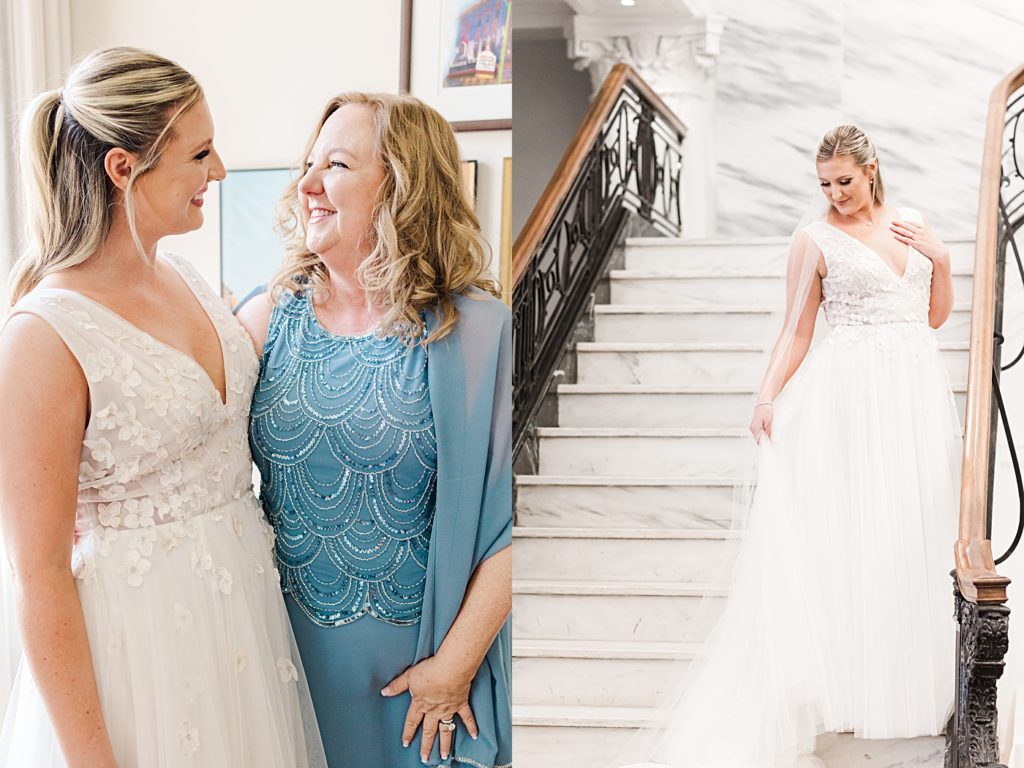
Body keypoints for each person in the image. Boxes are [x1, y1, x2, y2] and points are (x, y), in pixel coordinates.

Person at [0, 47, 323, 767]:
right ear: (124, 168)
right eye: (201, 152)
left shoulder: (183, 276)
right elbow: (39, 572)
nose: (220, 171)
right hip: (140, 659)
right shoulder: (44, 334)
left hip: (242, 629)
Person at [622, 124, 959, 767]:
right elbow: (796, 331)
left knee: (911, 529)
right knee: (858, 534)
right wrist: (767, 396)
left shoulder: (913, 225)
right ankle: (845, 688)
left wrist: (941, 259)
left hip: (915, 392)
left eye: (846, 181)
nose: (835, 193)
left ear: (872, 169)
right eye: (825, 184)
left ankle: (912, 685)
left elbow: (935, 318)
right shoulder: (814, 240)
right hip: (851, 397)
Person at [236, 92, 512, 768]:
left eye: (335, 165)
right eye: (307, 164)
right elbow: (190, 454)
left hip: (428, 689)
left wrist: (453, 666)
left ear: (404, 184)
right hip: (282, 671)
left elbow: (517, 522)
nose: (305, 186)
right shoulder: (267, 317)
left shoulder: (480, 331)